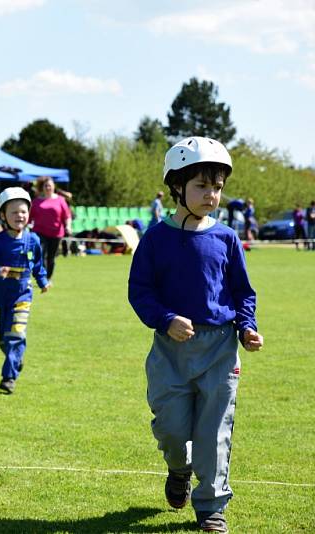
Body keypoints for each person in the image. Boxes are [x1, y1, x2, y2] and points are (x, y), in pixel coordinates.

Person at [128, 137, 263, 534]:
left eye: (217, 187)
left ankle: (211, 507)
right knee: (171, 430)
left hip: (220, 349)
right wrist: (166, 318)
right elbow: (140, 292)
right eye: (202, 186)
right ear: (177, 187)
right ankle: (178, 469)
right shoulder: (155, 238)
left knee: (214, 431)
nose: (212, 194)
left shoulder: (226, 238)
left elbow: (243, 292)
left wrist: (247, 326)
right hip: (170, 350)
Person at [0, 187, 49, 395]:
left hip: (22, 295)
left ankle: (9, 377)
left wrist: (43, 280)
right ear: (2, 215)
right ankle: (16, 358)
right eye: (14, 212)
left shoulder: (33, 240)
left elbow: (38, 264)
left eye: (23, 211)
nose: (20, 216)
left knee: (16, 334)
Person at [29, 176, 71, 285]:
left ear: (54, 187)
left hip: (56, 233)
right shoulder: (36, 201)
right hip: (39, 232)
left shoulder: (60, 200)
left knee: (51, 258)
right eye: (46, 185)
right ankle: (41, 278)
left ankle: (48, 278)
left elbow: (67, 216)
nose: (48, 187)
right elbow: (29, 217)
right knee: (41, 255)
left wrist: (68, 226)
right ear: (42, 187)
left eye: (50, 185)